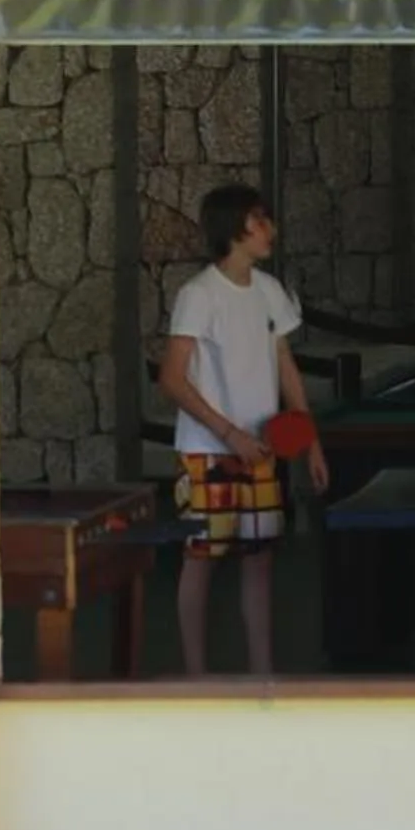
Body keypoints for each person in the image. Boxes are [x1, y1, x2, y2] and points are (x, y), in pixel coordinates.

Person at [156, 186, 328, 677]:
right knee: (202, 558)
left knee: (259, 560)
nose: (270, 229)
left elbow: (285, 366)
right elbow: (172, 378)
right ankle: (196, 679)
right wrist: (229, 434)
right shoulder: (198, 295)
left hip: (264, 448)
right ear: (234, 227)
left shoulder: (271, 291)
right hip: (208, 452)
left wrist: (310, 440)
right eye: (260, 220)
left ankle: (262, 677)